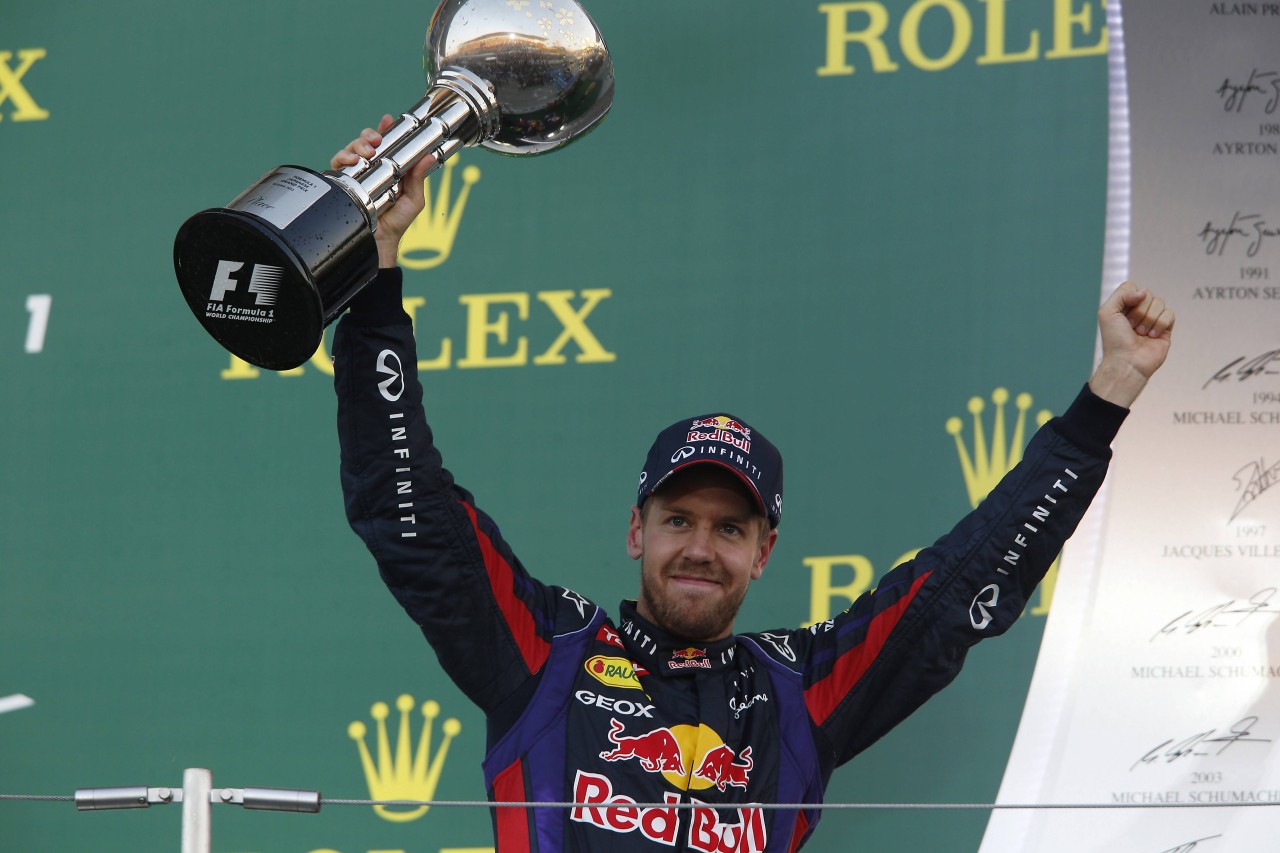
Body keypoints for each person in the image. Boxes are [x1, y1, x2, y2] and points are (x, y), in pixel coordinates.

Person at [329, 118, 1175, 852]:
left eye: (730, 528)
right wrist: (375, 274)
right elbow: (409, 514)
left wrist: (1102, 404)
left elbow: (954, 592)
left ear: (765, 551)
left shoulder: (794, 689)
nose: (700, 547)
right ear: (636, 531)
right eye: (679, 519)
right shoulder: (548, 652)